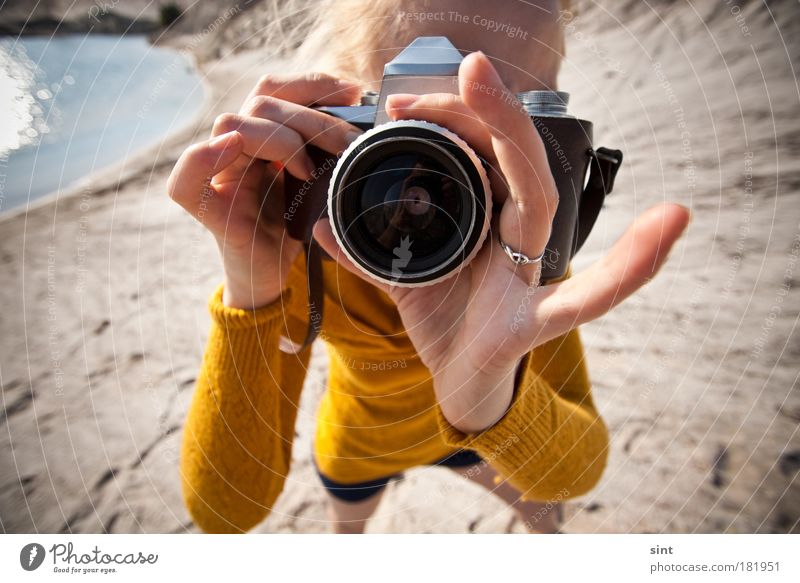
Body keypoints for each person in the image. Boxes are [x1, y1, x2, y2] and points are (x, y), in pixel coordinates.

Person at [167, 0, 690, 534]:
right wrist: (251, 282)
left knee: (545, 513)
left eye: (511, 119)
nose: (456, 170)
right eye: (422, 125)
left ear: (556, 140)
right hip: (359, 447)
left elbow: (571, 475)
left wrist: (486, 400)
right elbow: (226, 511)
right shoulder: (311, 251)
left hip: (474, 436)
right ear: (344, 127)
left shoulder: (521, 266)